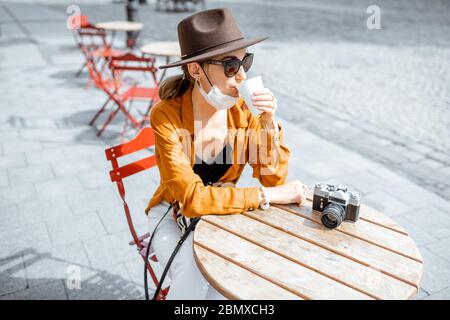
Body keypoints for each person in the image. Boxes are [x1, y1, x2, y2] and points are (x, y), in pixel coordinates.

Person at [146, 7, 309, 300]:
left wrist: (268, 124)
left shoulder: (242, 110)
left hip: (220, 217)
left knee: (234, 279)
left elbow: (272, 177)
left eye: (246, 61)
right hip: (171, 217)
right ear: (196, 70)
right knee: (195, 268)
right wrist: (265, 198)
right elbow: (193, 200)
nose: (242, 75)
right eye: (231, 66)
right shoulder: (166, 116)